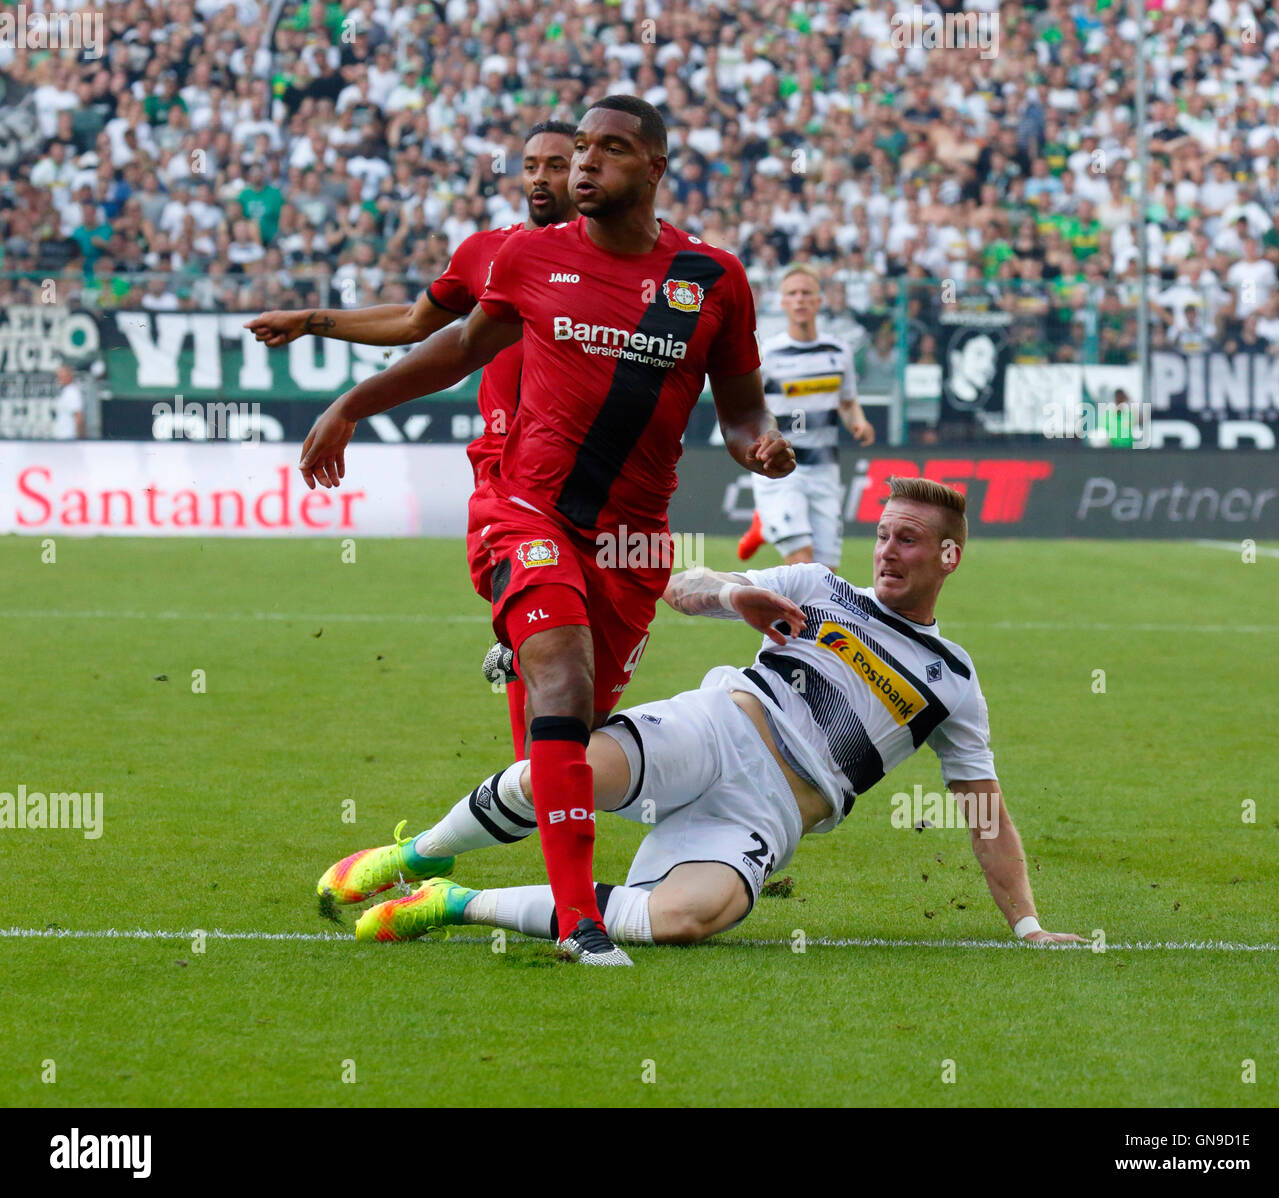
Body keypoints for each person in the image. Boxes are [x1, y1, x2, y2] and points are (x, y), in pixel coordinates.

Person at [300, 96, 795, 965]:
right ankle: (581, 923)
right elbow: (453, 349)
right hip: (527, 510)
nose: (582, 166)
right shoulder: (529, 257)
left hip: (633, 544)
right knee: (561, 679)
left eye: (609, 150)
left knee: (565, 754)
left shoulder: (712, 279)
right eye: (578, 153)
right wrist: (350, 405)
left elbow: (741, 405)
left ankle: (421, 861)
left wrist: (759, 445)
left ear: (654, 168)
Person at [318, 478, 1083, 951]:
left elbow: (984, 810)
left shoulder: (952, 680)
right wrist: (730, 593)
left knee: (684, 920)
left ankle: (452, 905)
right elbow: (682, 586)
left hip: (770, 815)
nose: (886, 552)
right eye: (882, 534)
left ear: (948, 557)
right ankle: (418, 855)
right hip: (719, 728)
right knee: (557, 774)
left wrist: (1027, 925)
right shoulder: (820, 587)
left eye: (907, 541)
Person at [246, 121, 579, 760]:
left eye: (556, 165)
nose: (540, 177)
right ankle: (545, 788)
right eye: (531, 164)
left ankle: (534, 706)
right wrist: (310, 321)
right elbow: (412, 322)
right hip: (513, 473)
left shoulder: (619, 260)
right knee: (551, 649)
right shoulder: (491, 252)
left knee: (582, 672)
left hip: (594, 470)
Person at [736, 265, 874, 570]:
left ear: (819, 301)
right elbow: (749, 408)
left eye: (806, 293)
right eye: (792, 294)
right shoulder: (768, 354)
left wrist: (859, 422)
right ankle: (767, 522)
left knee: (825, 576)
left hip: (825, 469)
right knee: (801, 561)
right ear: (783, 303)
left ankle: (764, 526)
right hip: (784, 469)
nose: (800, 300)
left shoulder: (839, 352)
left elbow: (848, 401)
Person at [52, 364, 85, 440]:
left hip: (70, 437)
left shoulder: (73, 392)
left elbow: (78, 417)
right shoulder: (65, 391)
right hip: (62, 437)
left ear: (70, 376)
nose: (60, 379)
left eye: (63, 376)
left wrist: (80, 439)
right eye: (59, 376)